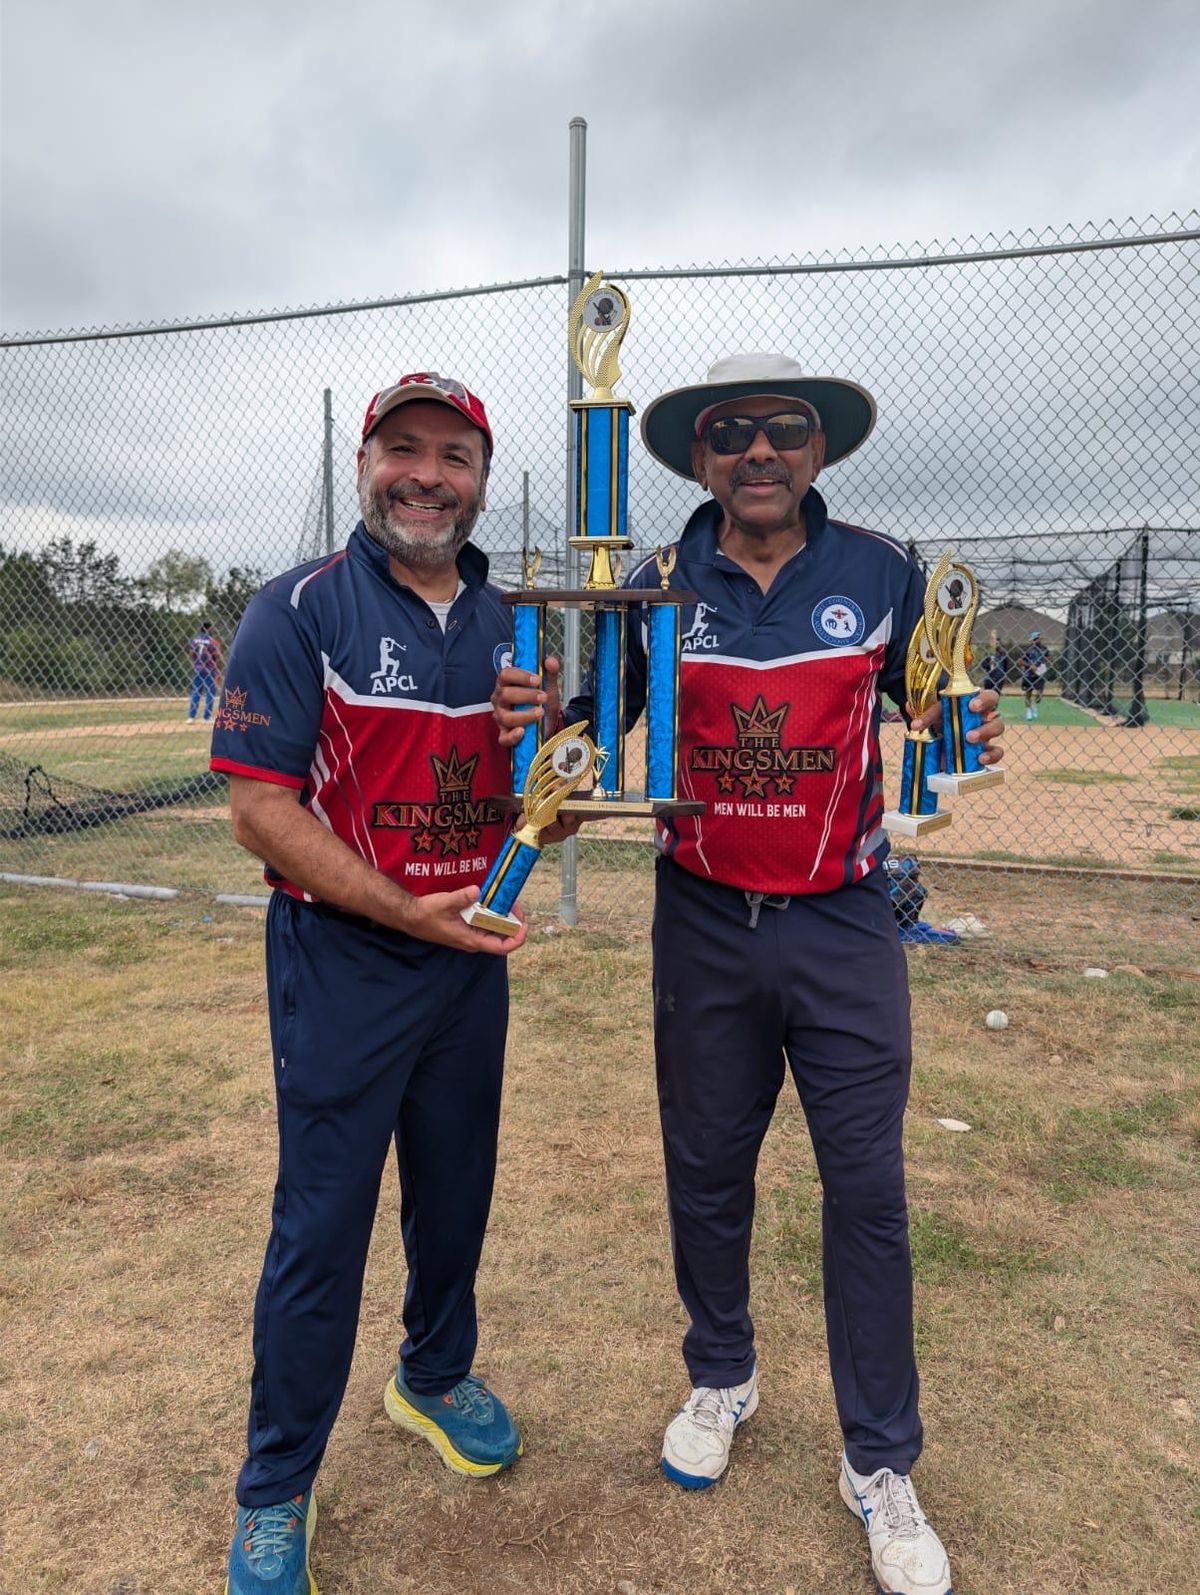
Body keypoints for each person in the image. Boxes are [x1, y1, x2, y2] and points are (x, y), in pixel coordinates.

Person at [493, 353, 1004, 1595]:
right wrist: (543, 738)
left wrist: (960, 731)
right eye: (733, 434)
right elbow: (589, 736)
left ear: (818, 447)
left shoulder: (882, 570)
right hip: (706, 922)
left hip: (843, 924)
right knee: (707, 1165)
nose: (760, 450)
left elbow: (931, 708)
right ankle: (721, 1373)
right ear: (699, 457)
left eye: (784, 429)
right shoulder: (658, 583)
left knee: (866, 1189)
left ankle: (881, 1459)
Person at [211, 373, 528, 1595]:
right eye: (405, 449)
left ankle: (433, 1375)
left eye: (455, 456)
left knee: (455, 1197)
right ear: (364, 462)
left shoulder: (509, 614)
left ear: (480, 481)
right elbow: (256, 808)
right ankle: (275, 1489)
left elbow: (533, 785)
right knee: (322, 1226)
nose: (428, 476)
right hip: (345, 957)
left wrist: (541, 735)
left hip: (469, 962)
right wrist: (404, 909)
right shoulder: (297, 609)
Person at [187, 618, 222, 721]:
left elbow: (191, 653)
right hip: (210, 669)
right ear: (209, 628)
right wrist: (218, 669)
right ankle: (206, 717)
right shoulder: (213, 641)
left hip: (198, 668)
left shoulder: (195, 640)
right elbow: (217, 656)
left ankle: (191, 717)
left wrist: (196, 662)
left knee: (196, 691)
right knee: (210, 692)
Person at [1019, 631, 1049, 720]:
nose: (1037, 640)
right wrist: (1030, 666)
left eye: (1038, 638)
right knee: (1028, 693)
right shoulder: (1027, 650)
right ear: (1032, 640)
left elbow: (1047, 659)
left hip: (1040, 674)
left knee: (1039, 694)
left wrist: (1044, 666)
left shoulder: (1045, 649)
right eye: (1035, 639)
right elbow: (1020, 661)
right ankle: (1028, 711)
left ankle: (1034, 706)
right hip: (1029, 674)